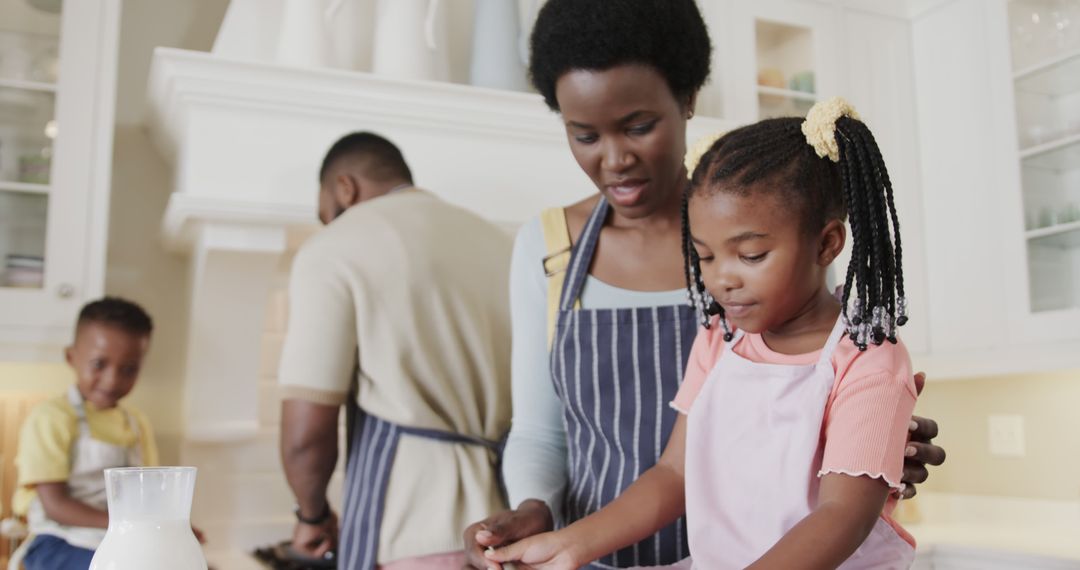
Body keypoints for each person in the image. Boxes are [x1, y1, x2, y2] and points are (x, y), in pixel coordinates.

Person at [463, 1, 946, 568]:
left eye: (639, 126)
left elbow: (838, 491)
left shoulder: (786, 225)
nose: (615, 158)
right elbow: (633, 459)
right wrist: (552, 529)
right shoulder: (559, 256)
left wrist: (871, 443)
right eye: (584, 134)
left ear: (688, 97)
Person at [277, 132, 512, 569]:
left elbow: (305, 436)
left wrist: (311, 515)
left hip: (406, 530)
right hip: (507, 531)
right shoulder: (503, 244)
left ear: (344, 188)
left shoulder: (336, 247)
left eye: (327, 213)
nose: (330, 224)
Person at [12, 297, 161, 570]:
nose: (112, 379)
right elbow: (55, 505)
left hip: (121, 538)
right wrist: (131, 525)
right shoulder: (51, 418)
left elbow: (149, 494)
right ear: (71, 357)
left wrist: (172, 530)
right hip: (58, 541)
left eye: (129, 369)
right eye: (99, 364)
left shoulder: (138, 424)